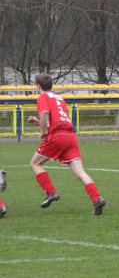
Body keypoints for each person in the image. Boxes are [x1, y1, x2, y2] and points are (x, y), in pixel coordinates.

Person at [26, 74, 106, 215]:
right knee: (79, 172)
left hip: (57, 136)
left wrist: (42, 130)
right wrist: (38, 122)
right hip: (70, 136)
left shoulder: (43, 97)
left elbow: (45, 113)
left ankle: (51, 192)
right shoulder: (58, 97)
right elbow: (56, 119)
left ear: (38, 86)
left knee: (35, 164)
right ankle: (97, 198)